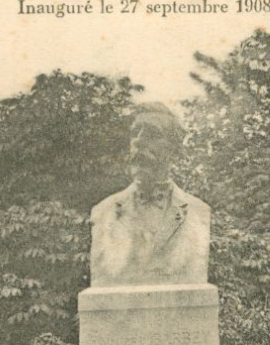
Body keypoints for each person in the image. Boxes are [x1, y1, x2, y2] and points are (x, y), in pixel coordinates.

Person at [89, 104, 211, 286]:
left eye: (152, 134)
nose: (138, 141)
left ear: (174, 151)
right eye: (135, 133)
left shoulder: (199, 213)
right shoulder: (103, 212)